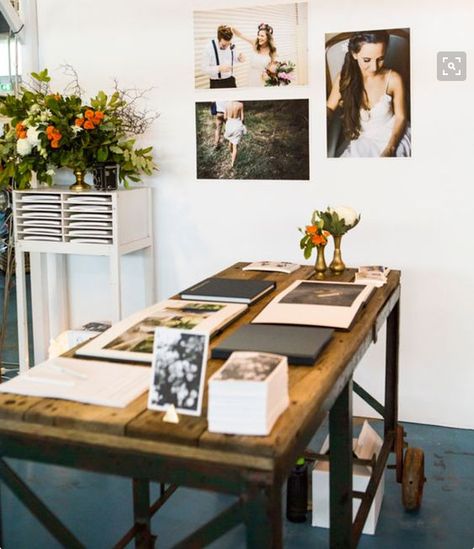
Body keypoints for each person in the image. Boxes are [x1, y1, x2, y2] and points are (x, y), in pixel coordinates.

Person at [326, 30, 411, 157]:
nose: (374, 67)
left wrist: (390, 148)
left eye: (380, 59)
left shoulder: (394, 79)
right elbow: (329, 109)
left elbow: (401, 117)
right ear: (354, 54)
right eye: (367, 60)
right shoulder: (343, 79)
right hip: (361, 139)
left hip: (393, 135)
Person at [223, 101, 247, 167]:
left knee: (230, 140)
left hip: (229, 124)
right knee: (235, 146)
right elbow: (242, 118)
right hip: (237, 124)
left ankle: (231, 154)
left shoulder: (226, 104)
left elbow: (224, 117)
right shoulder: (240, 104)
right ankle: (232, 164)